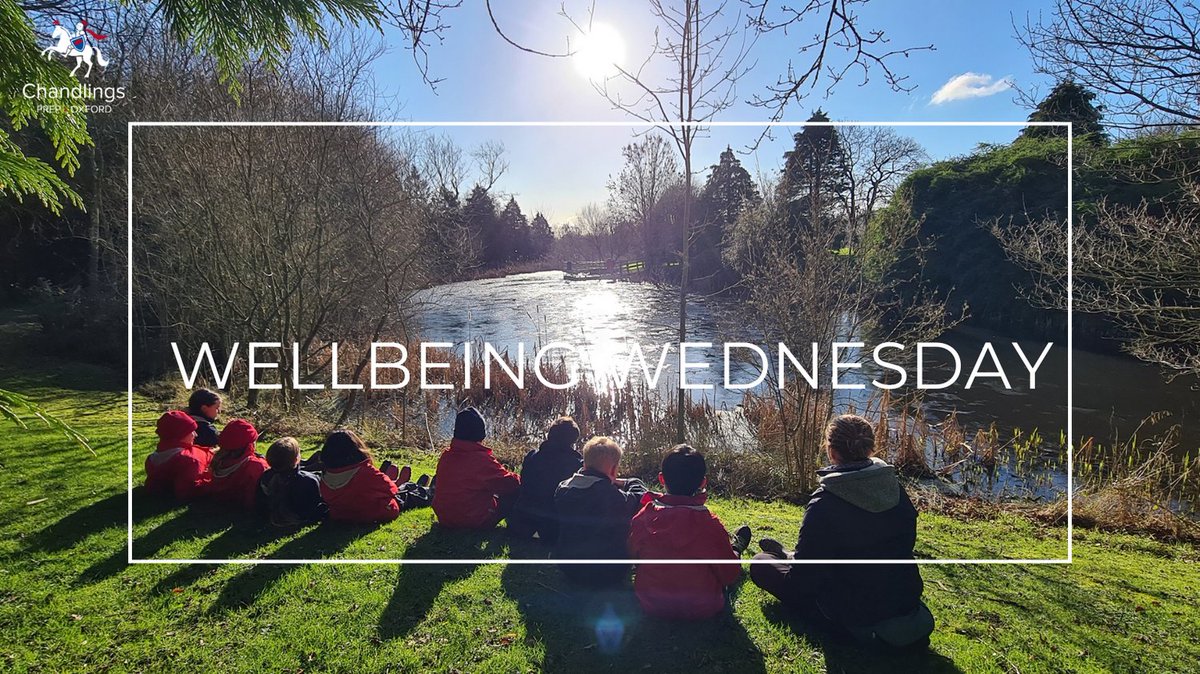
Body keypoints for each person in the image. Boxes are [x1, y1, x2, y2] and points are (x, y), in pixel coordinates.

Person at [749, 414, 934, 649]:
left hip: (855, 614)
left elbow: (803, 582)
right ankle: (789, 555)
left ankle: (789, 557)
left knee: (760, 563)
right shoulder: (895, 489)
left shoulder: (826, 502)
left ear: (832, 452)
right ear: (870, 449)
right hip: (903, 602)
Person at [628, 445, 751, 620]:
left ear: (662, 479)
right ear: (703, 482)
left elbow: (632, 555)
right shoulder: (710, 525)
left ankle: (735, 547)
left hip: (651, 604)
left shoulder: (643, 517)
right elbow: (729, 575)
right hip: (702, 608)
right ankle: (736, 548)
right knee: (730, 560)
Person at [553, 436, 648, 587]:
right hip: (606, 571)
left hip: (568, 565)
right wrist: (629, 481)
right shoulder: (609, 496)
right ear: (614, 469)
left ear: (584, 464)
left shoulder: (563, 488)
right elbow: (641, 497)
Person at [431, 408, 521, 529]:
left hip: (445, 518)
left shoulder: (446, 456)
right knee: (514, 490)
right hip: (471, 520)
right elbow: (511, 483)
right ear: (480, 434)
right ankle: (518, 529)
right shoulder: (481, 460)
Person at [508, 416, 583, 543]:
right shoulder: (576, 465)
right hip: (552, 530)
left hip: (522, 525)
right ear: (573, 440)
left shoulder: (532, 457)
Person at [319, 430, 408, 523]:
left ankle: (399, 483)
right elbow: (391, 489)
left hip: (340, 514)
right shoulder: (364, 471)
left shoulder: (325, 474)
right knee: (403, 495)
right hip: (373, 512)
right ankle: (407, 486)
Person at [257, 437, 328, 527]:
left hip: (271, 515)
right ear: (296, 459)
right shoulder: (309, 480)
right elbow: (314, 506)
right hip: (301, 516)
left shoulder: (265, 476)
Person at [144, 410, 212, 501]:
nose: (195, 435)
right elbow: (189, 490)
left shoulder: (152, 458)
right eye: (191, 431)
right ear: (180, 434)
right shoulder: (190, 459)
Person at [209, 419, 269, 510]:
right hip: (245, 506)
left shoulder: (218, 459)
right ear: (250, 445)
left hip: (223, 502)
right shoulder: (255, 465)